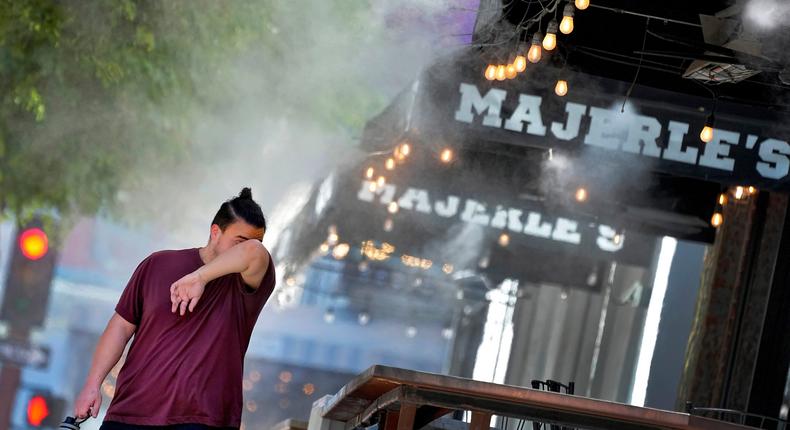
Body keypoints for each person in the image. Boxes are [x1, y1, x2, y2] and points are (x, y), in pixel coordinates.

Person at [74, 188, 276, 429]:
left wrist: (200, 278)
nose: (247, 246)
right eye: (239, 240)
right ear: (215, 232)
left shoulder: (248, 283)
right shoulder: (157, 264)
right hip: (129, 414)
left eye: (257, 240)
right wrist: (92, 384)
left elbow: (253, 253)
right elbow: (120, 326)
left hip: (201, 420)